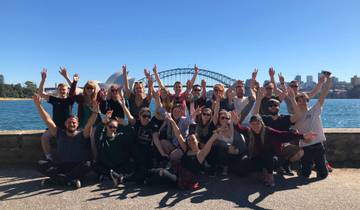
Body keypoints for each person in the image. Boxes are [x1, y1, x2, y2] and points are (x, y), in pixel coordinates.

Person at [34, 94, 98, 188]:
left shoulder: (82, 134)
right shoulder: (59, 133)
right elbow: (48, 120)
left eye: (74, 123)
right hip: (62, 166)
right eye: (69, 122)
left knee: (89, 164)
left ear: (77, 125)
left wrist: (95, 113)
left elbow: (89, 124)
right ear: (65, 124)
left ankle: (57, 180)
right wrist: (39, 106)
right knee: (39, 164)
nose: (71, 124)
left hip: (78, 167)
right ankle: (69, 180)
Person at [234, 115, 316, 186]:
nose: (255, 125)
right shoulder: (249, 132)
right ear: (250, 125)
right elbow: (240, 129)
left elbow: (284, 134)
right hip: (259, 158)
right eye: (253, 124)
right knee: (243, 169)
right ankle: (261, 172)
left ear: (262, 124)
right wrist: (235, 123)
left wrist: (302, 136)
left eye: (257, 123)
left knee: (267, 154)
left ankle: (270, 177)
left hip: (274, 159)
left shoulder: (269, 131)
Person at [253, 85, 302, 175]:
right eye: (270, 105)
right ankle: (276, 167)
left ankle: (286, 164)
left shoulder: (285, 118)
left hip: (283, 147)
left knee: (300, 152)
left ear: (279, 107)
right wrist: (259, 99)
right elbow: (255, 115)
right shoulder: (265, 119)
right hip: (269, 148)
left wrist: (292, 99)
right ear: (268, 108)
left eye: (276, 105)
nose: (273, 107)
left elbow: (298, 116)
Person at [294, 75, 332, 179]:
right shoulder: (295, 117)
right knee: (305, 175)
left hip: (318, 146)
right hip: (306, 147)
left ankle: (319, 166)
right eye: (299, 101)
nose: (302, 102)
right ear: (296, 103)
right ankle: (304, 167)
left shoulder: (315, 110)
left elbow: (323, 94)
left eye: (304, 100)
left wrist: (328, 80)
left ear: (308, 101)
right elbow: (293, 131)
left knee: (323, 175)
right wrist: (302, 138)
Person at [38, 68, 75, 161]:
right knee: (44, 138)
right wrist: (43, 80)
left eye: (64, 89)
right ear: (58, 90)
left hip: (68, 127)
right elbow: (41, 93)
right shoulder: (54, 99)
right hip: (55, 127)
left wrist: (66, 76)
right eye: (60, 89)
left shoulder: (70, 99)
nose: (62, 91)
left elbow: (74, 87)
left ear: (67, 91)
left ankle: (69, 159)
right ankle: (49, 158)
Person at [92, 110, 136, 182]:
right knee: (94, 165)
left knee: (132, 164)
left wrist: (126, 125)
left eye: (115, 127)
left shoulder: (120, 136)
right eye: (110, 126)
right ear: (106, 126)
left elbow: (132, 136)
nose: (112, 129)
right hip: (106, 166)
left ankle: (110, 176)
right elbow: (97, 134)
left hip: (119, 166)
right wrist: (103, 122)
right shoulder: (102, 138)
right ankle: (117, 177)